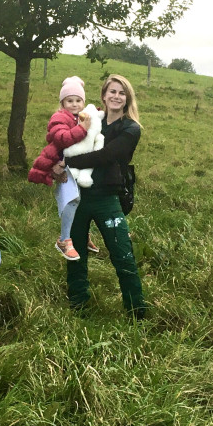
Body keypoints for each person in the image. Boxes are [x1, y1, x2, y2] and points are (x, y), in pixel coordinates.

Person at [60, 74, 147, 318]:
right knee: (75, 253)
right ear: (103, 96)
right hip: (77, 197)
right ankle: (78, 306)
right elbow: (64, 137)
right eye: (112, 92)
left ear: (127, 98)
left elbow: (106, 156)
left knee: (122, 254)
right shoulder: (90, 119)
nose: (116, 96)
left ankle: (136, 311)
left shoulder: (130, 128)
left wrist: (66, 161)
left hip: (108, 198)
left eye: (121, 93)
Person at [27, 75, 101, 261]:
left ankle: (82, 236)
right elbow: (61, 138)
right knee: (72, 199)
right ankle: (64, 240)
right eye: (70, 100)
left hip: (77, 163)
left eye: (78, 100)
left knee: (83, 199)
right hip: (61, 163)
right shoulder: (59, 117)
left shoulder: (81, 116)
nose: (74, 104)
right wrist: (83, 128)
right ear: (62, 103)